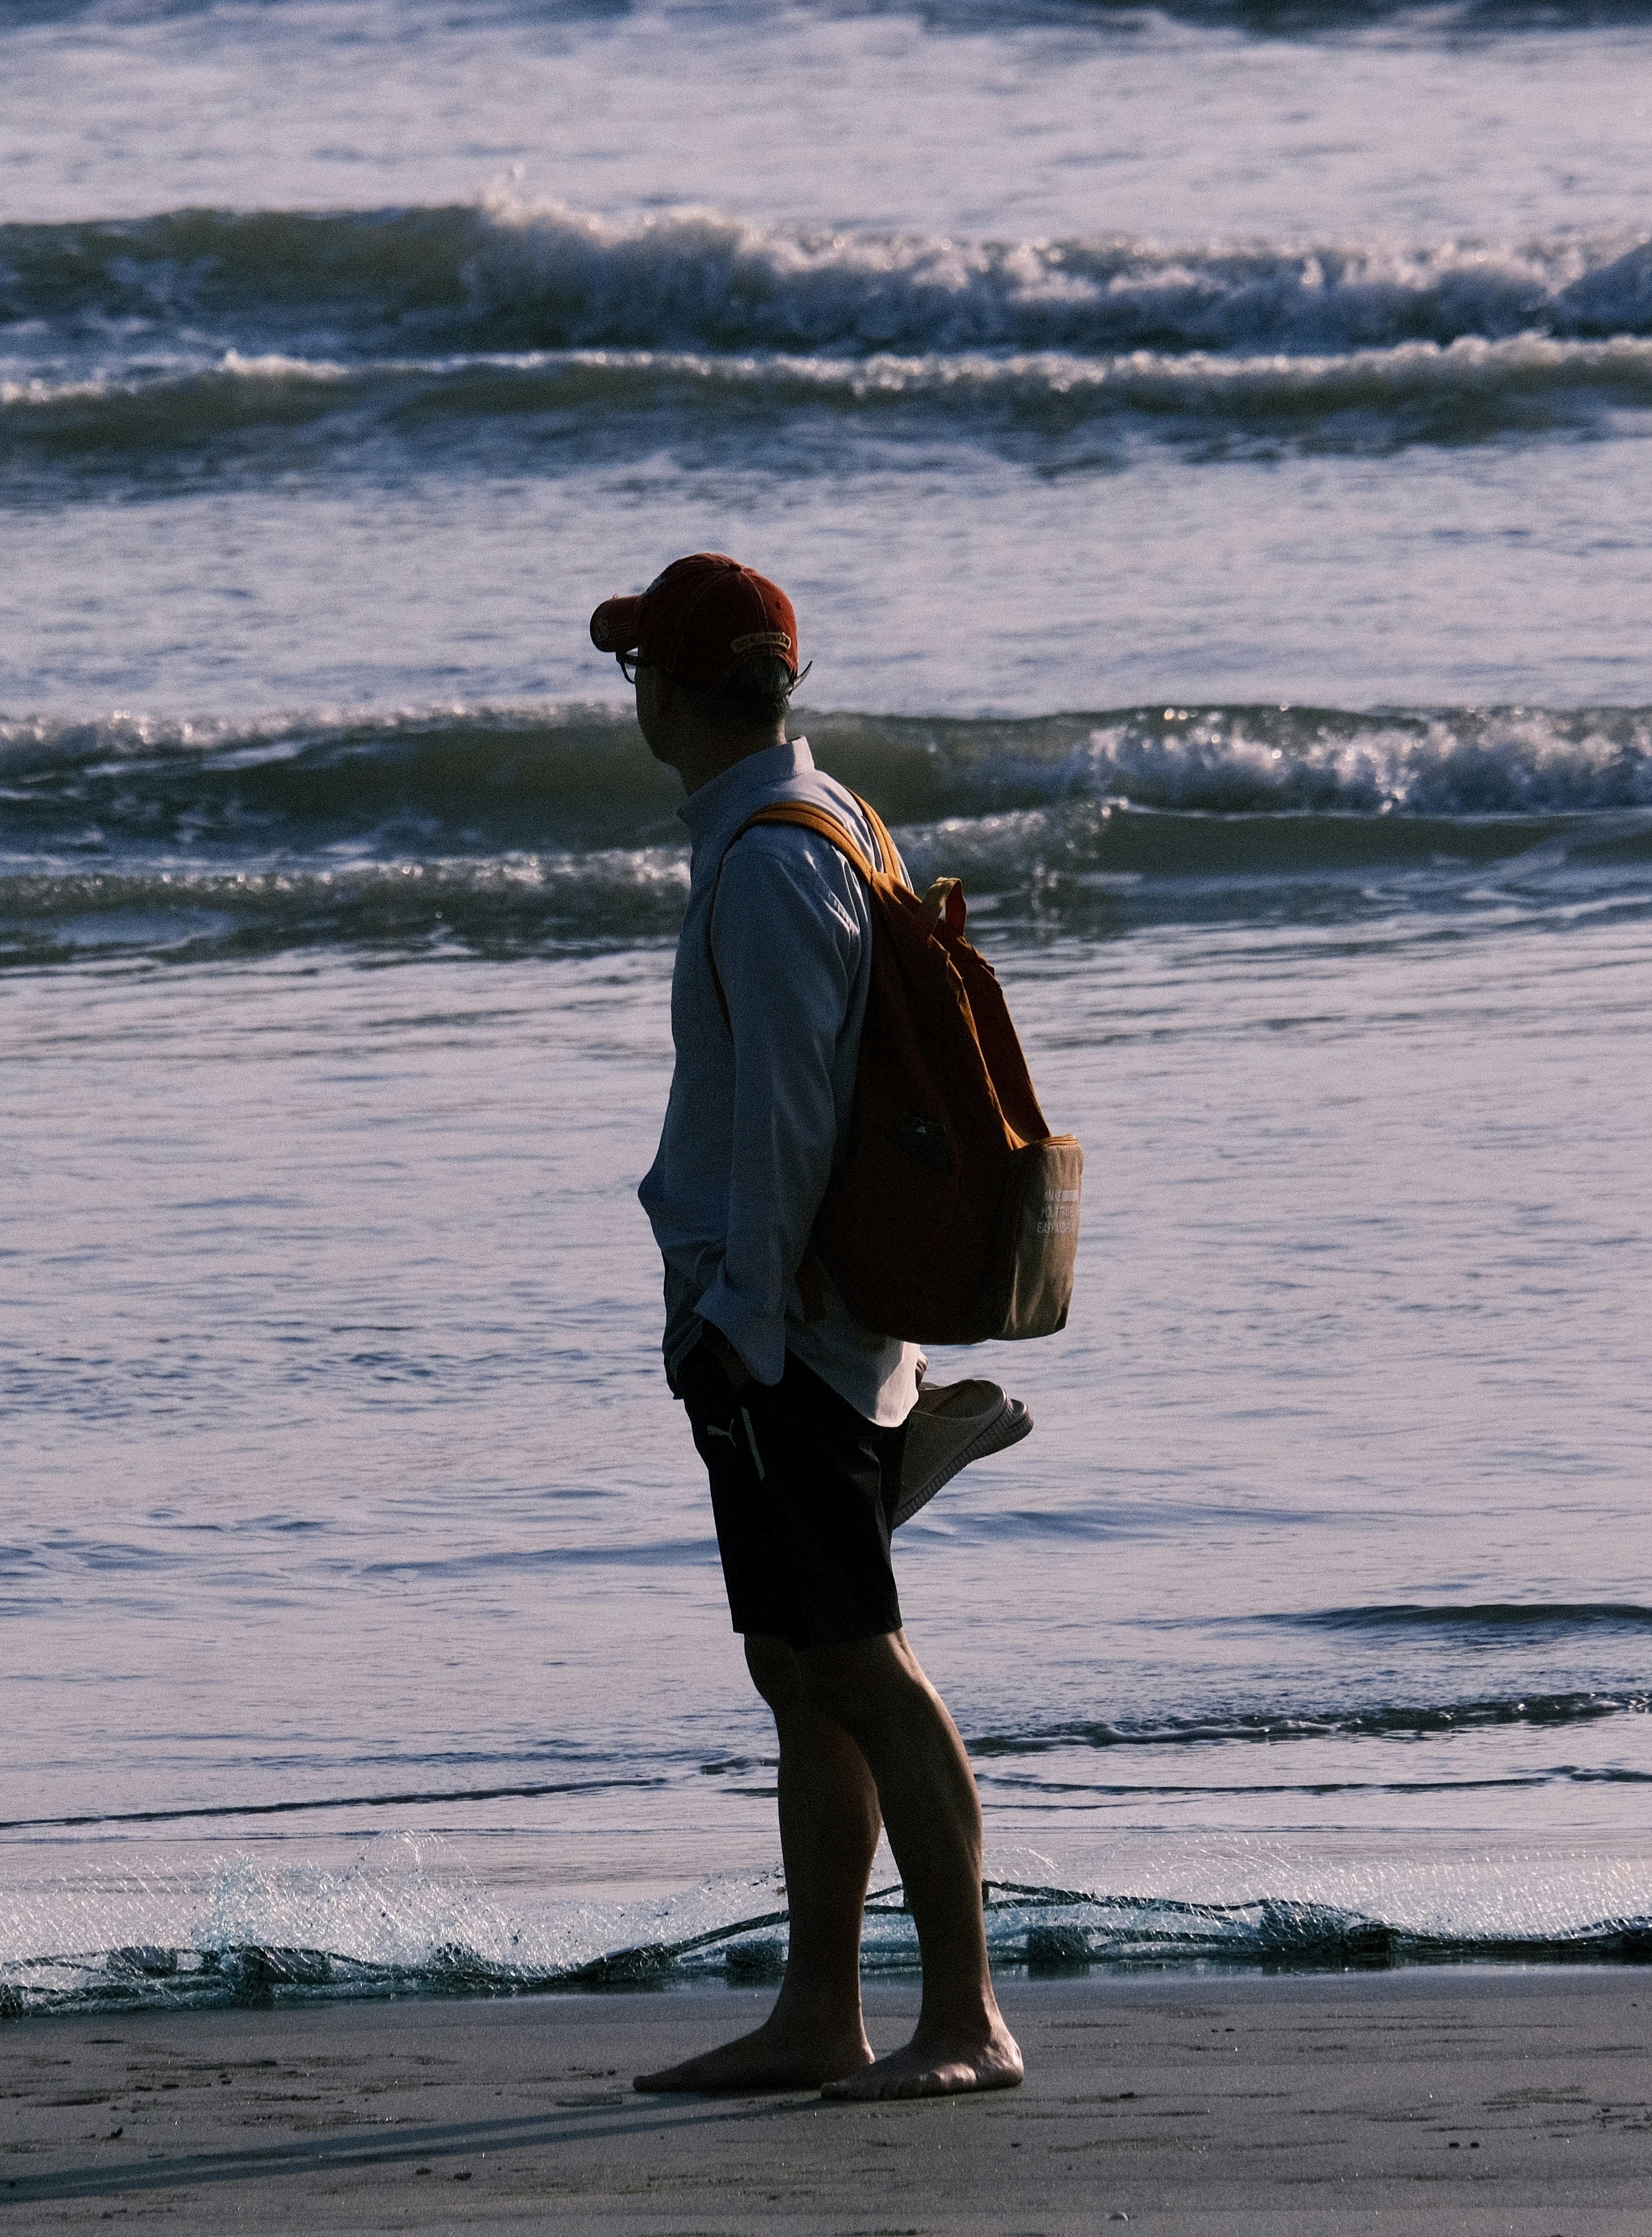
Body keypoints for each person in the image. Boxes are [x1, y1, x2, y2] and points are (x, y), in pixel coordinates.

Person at [597, 552, 1025, 2103]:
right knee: (802, 1663)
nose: (629, 688)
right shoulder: (823, 818)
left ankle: (965, 2019)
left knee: (860, 1663)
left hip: (789, 1332)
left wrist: (743, 1319)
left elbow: (784, 1117)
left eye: (639, 664)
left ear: (678, 689)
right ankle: (819, 2011)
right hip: (810, 1322)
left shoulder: (773, 862)